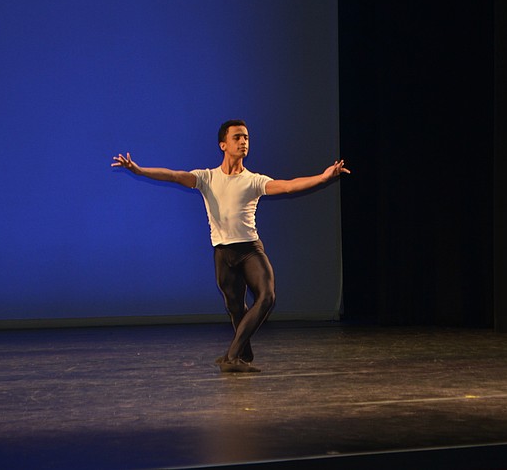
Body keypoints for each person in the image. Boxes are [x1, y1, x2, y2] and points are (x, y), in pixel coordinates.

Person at [112, 119, 349, 372]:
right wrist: (140, 170)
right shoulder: (207, 178)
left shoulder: (254, 181)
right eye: (237, 137)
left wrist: (324, 177)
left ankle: (232, 357)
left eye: (246, 137)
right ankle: (240, 356)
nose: (243, 142)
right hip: (223, 253)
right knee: (236, 308)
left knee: (267, 297)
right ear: (223, 144)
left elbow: (289, 186)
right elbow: (173, 176)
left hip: (250, 251)